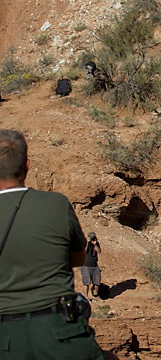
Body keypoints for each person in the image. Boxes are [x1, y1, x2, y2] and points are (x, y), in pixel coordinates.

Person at [0, 129, 104, 359]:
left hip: (6, 337)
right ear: (27, 166)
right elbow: (78, 258)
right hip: (60, 330)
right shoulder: (56, 204)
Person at [82, 231, 102, 300]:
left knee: (97, 281)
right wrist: (88, 242)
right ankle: (85, 297)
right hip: (86, 265)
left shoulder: (96, 243)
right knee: (86, 282)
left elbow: (99, 252)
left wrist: (95, 244)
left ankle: (95, 295)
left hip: (94, 265)